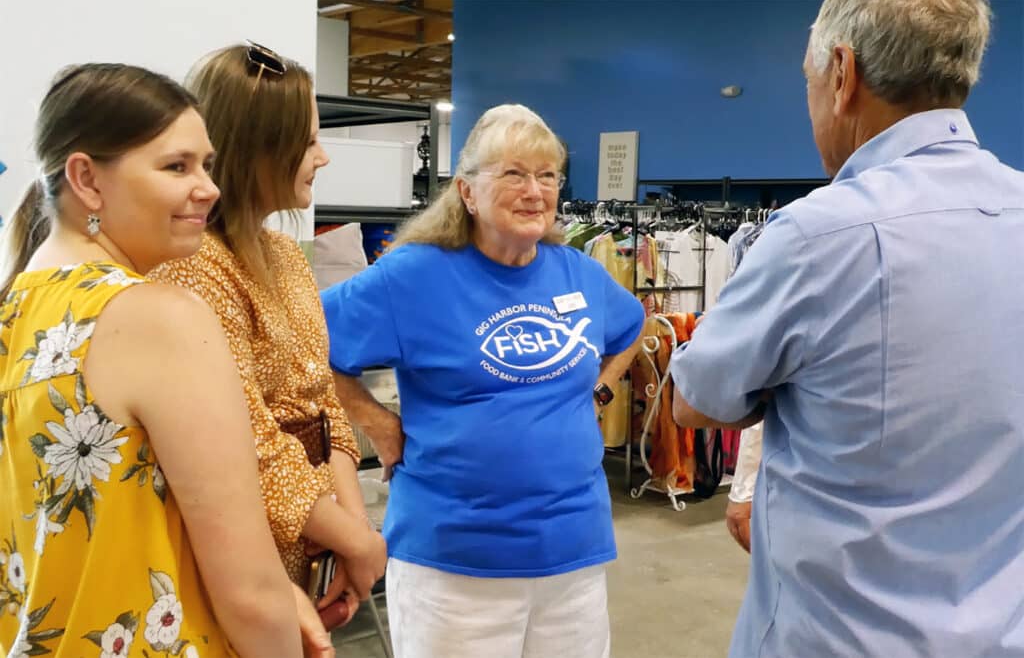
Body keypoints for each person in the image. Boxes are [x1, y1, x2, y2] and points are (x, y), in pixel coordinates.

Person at [670, 0, 1024, 655]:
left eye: (808, 85)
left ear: (842, 72)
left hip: (839, 634)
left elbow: (696, 399)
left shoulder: (815, 235)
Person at [0, 63, 331, 657]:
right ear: (87, 180)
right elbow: (251, 590)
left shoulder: (16, 308)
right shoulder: (156, 316)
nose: (209, 187)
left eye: (205, 163)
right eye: (176, 166)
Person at [321, 104, 645, 658]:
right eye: (514, 174)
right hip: (455, 563)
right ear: (467, 192)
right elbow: (306, 343)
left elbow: (631, 327)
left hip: (573, 553)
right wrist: (377, 423)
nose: (534, 191)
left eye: (548, 176)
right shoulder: (414, 275)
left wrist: (597, 390)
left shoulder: (579, 272)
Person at [149, 42, 386, 624]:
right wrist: (356, 542)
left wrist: (350, 528)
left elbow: (323, 407)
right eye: (307, 142)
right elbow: (246, 441)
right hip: (235, 551)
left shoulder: (284, 254)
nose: (323, 157)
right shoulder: (191, 268)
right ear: (256, 148)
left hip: (309, 535)